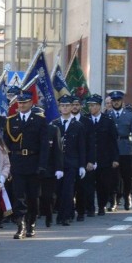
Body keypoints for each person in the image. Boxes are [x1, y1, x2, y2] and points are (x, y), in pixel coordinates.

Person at [3, 91, 50, 239]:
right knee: (18, 195)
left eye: (25, 102)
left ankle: (31, 223)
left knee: (33, 196)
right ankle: (20, 225)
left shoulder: (39, 120)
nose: (22, 105)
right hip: (17, 162)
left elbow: (44, 145)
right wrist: (8, 165)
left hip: (34, 160)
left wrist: (42, 164)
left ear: (31, 103)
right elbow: (7, 145)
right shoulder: (11, 121)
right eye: (20, 103)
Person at [52, 96, 86, 226]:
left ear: (72, 107)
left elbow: (82, 147)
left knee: (68, 190)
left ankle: (66, 216)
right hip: (57, 164)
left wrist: (82, 165)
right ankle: (61, 213)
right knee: (58, 190)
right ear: (59, 108)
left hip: (72, 163)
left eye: (67, 106)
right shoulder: (54, 124)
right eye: (63, 106)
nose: (65, 108)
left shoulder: (78, 126)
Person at [86, 94, 119, 216]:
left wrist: (115, 158)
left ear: (99, 106)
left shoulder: (107, 121)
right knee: (88, 185)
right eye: (89, 105)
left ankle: (101, 206)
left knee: (103, 185)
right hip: (89, 158)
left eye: (94, 105)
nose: (91, 108)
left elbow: (113, 141)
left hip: (104, 158)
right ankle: (90, 208)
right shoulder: (85, 120)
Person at [107, 90, 132, 210]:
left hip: (126, 149)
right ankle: (113, 200)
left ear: (122, 101)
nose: (116, 103)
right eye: (114, 101)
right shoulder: (108, 115)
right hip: (111, 149)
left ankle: (127, 196)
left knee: (127, 176)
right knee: (113, 177)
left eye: (118, 101)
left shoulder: (129, 115)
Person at [37, 106, 64, 229]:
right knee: (32, 195)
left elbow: (58, 150)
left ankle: (48, 215)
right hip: (33, 167)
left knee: (47, 196)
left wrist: (59, 168)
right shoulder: (28, 130)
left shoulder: (53, 130)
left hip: (49, 168)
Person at [70, 96, 96, 220]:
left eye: (77, 104)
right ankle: (69, 212)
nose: (75, 107)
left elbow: (91, 143)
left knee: (83, 187)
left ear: (80, 106)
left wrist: (91, 161)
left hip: (84, 159)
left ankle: (83, 211)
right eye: (73, 104)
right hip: (69, 159)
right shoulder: (64, 120)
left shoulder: (87, 122)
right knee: (69, 188)